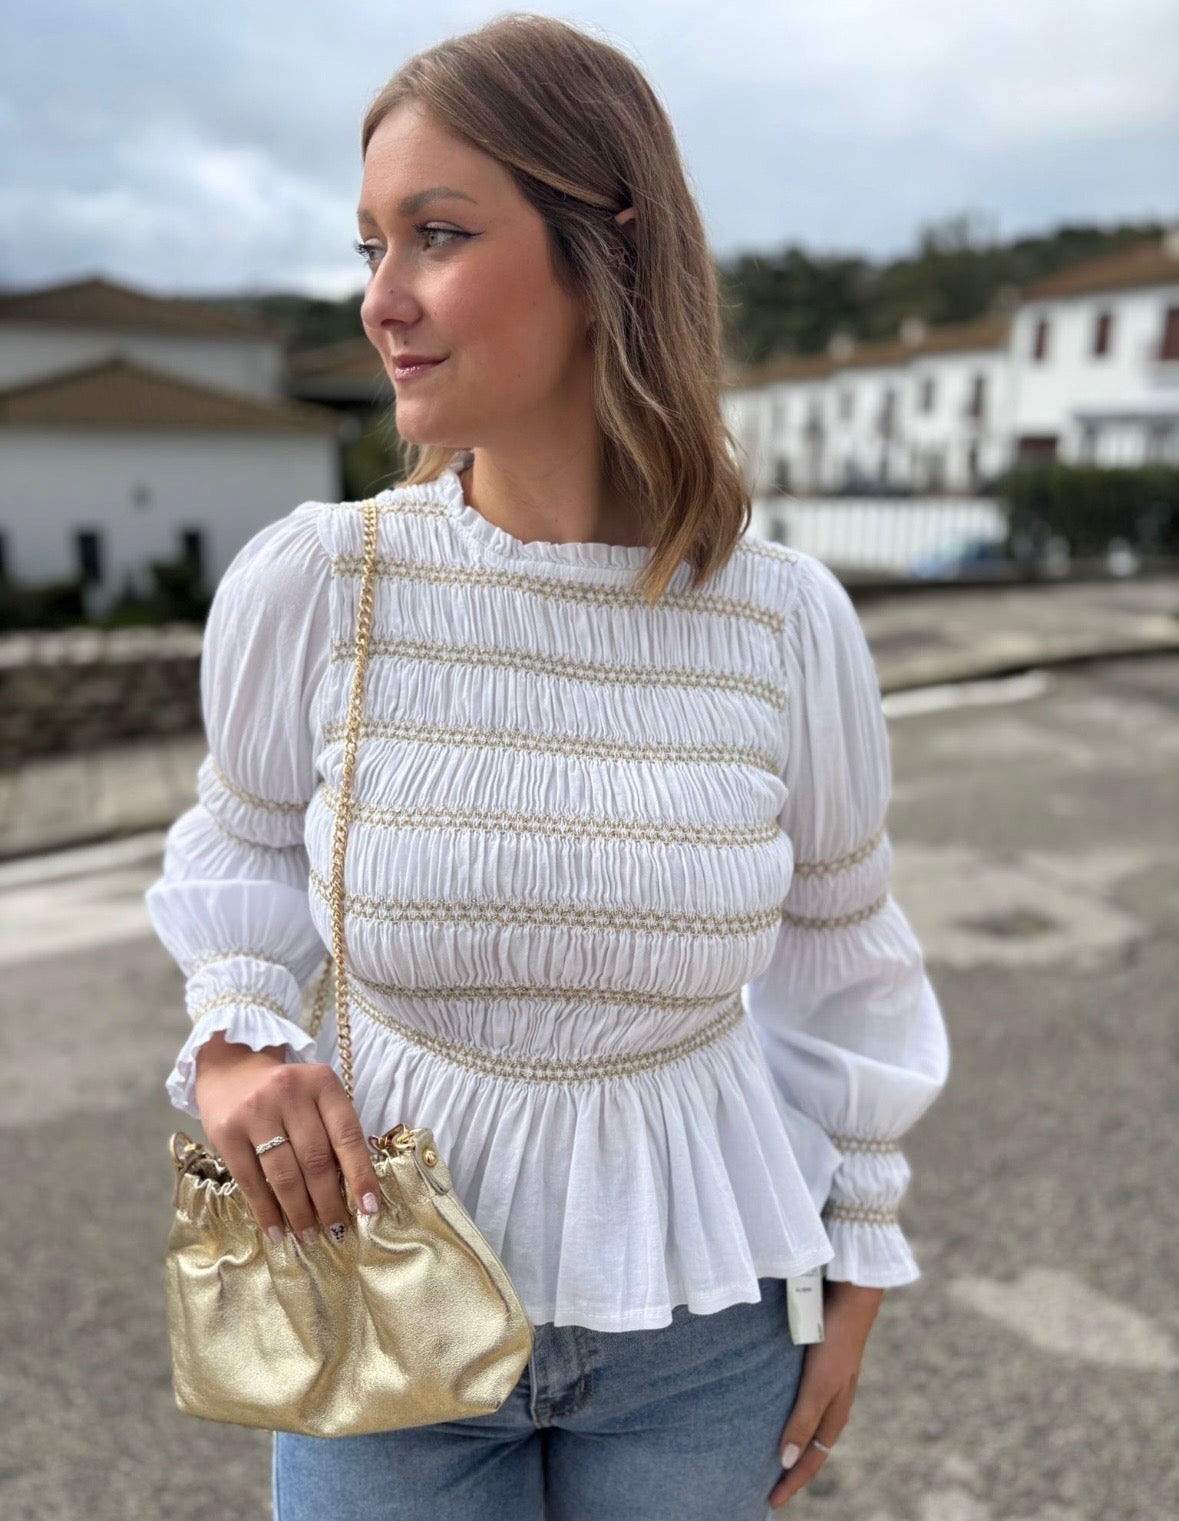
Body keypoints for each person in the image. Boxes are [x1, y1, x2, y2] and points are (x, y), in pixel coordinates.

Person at [143, 14, 950, 1519]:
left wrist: (860, 1255)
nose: (381, 299)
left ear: (607, 250)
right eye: (371, 246)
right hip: (383, 1306)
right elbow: (242, 847)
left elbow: (843, 949)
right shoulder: (323, 584)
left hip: (707, 1334)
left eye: (437, 235)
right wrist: (239, 1043)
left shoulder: (787, 624)